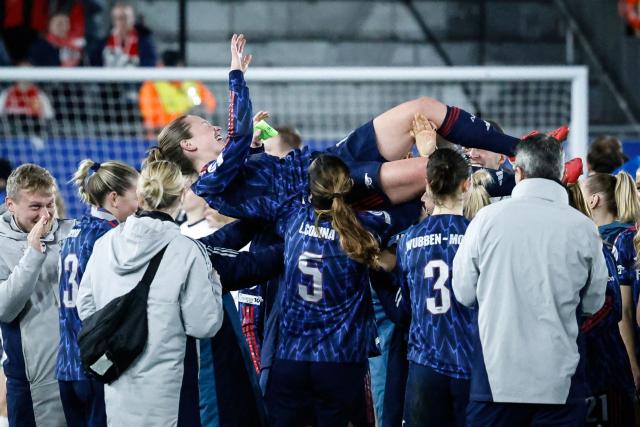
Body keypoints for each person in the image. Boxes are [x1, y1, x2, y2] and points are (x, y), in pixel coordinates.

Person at [156, 34, 561, 224]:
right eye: (205, 127)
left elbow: (252, 154)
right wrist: (235, 77)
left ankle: (523, 148)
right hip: (331, 194)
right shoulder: (207, 183)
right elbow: (239, 138)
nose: (214, 129)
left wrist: (260, 143)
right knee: (429, 172)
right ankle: (519, 180)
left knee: (421, 108)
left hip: (328, 160)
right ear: (189, 145)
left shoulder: (225, 169)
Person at [452, 134, 608, 426]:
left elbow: (463, 292)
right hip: (560, 381)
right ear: (562, 174)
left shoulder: (485, 221)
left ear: (518, 172)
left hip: (495, 379)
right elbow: (594, 301)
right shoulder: (584, 228)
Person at [267, 154, 416, 427]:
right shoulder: (364, 227)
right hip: (340, 360)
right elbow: (409, 209)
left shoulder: (291, 217)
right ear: (348, 186)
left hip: (291, 357)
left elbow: (271, 188)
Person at [76, 159, 223, 426]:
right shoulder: (187, 250)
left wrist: (120, 333)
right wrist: (214, 281)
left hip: (118, 377)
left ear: (141, 195)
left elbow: (86, 307)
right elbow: (204, 324)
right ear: (180, 196)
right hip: (169, 389)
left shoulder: (104, 244)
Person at [394, 148, 475, 427]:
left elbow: (403, 308)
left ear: (428, 185)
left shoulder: (408, 239)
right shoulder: (478, 236)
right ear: (467, 185)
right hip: (471, 364)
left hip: (425, 365)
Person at [56, 159, 139, 427]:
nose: (142, 204)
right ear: (114, 198)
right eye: (137, 195)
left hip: (67, 367)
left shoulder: (72, 232)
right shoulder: (110, 238)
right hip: (96, 366)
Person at [0, 163, 73, 427]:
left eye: (49, 205)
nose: (45, 215)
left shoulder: (70, 233)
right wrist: (32, 253)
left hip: (78, 376)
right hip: (34, 384)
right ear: (11, 204)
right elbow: (5, 308)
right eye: (35, 207)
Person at [580, 171, 640, 392]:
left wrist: (630, 362)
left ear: (593, 200)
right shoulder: (629, 237)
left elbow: (622, 310)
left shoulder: (603, 242)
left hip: (607, 353)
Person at [139, 50, 217, 135]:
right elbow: (151, 122)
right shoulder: (151, 86)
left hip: (194, 134)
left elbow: (210, 104)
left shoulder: (192, 82)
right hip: (164, 138)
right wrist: (184, 118)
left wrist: (201, 110)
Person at [91, 2, 157, 67]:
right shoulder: (104, 43)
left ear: (133, 19)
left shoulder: (145, 42)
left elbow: (149, 65)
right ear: (113, 20)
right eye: (118, 18)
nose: (123, 22)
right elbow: (95, 65)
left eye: (126, 18)